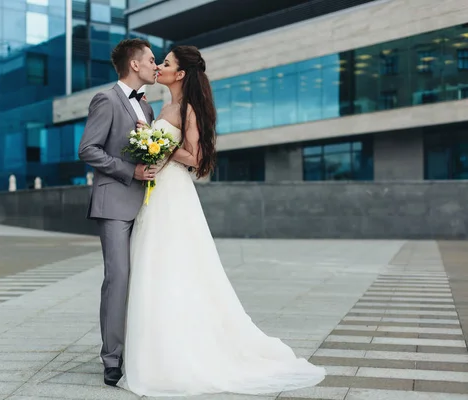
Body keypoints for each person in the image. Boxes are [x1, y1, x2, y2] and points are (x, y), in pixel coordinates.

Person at [117, 45, 326, 397]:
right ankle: (155, 348)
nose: (160, 68)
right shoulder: (162, 106)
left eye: (165, 63)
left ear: (180, 74)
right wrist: (151, 139)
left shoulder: (188, 109)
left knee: (173, 266)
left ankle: (179, 352)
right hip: (156, 194)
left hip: (174, 195)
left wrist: (158, 145)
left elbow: (195, 159)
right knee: (153, 267)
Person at [77, 38, 159, 387]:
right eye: (153, 60)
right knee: (119, 279)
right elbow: (88, 149)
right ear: (135, 64)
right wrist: (131, 171)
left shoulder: (148, 107)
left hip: (147, 204)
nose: (157, 65)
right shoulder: (106, 99)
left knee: (143, 281)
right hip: (113, 204)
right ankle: (112, 358)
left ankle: (141, 350)